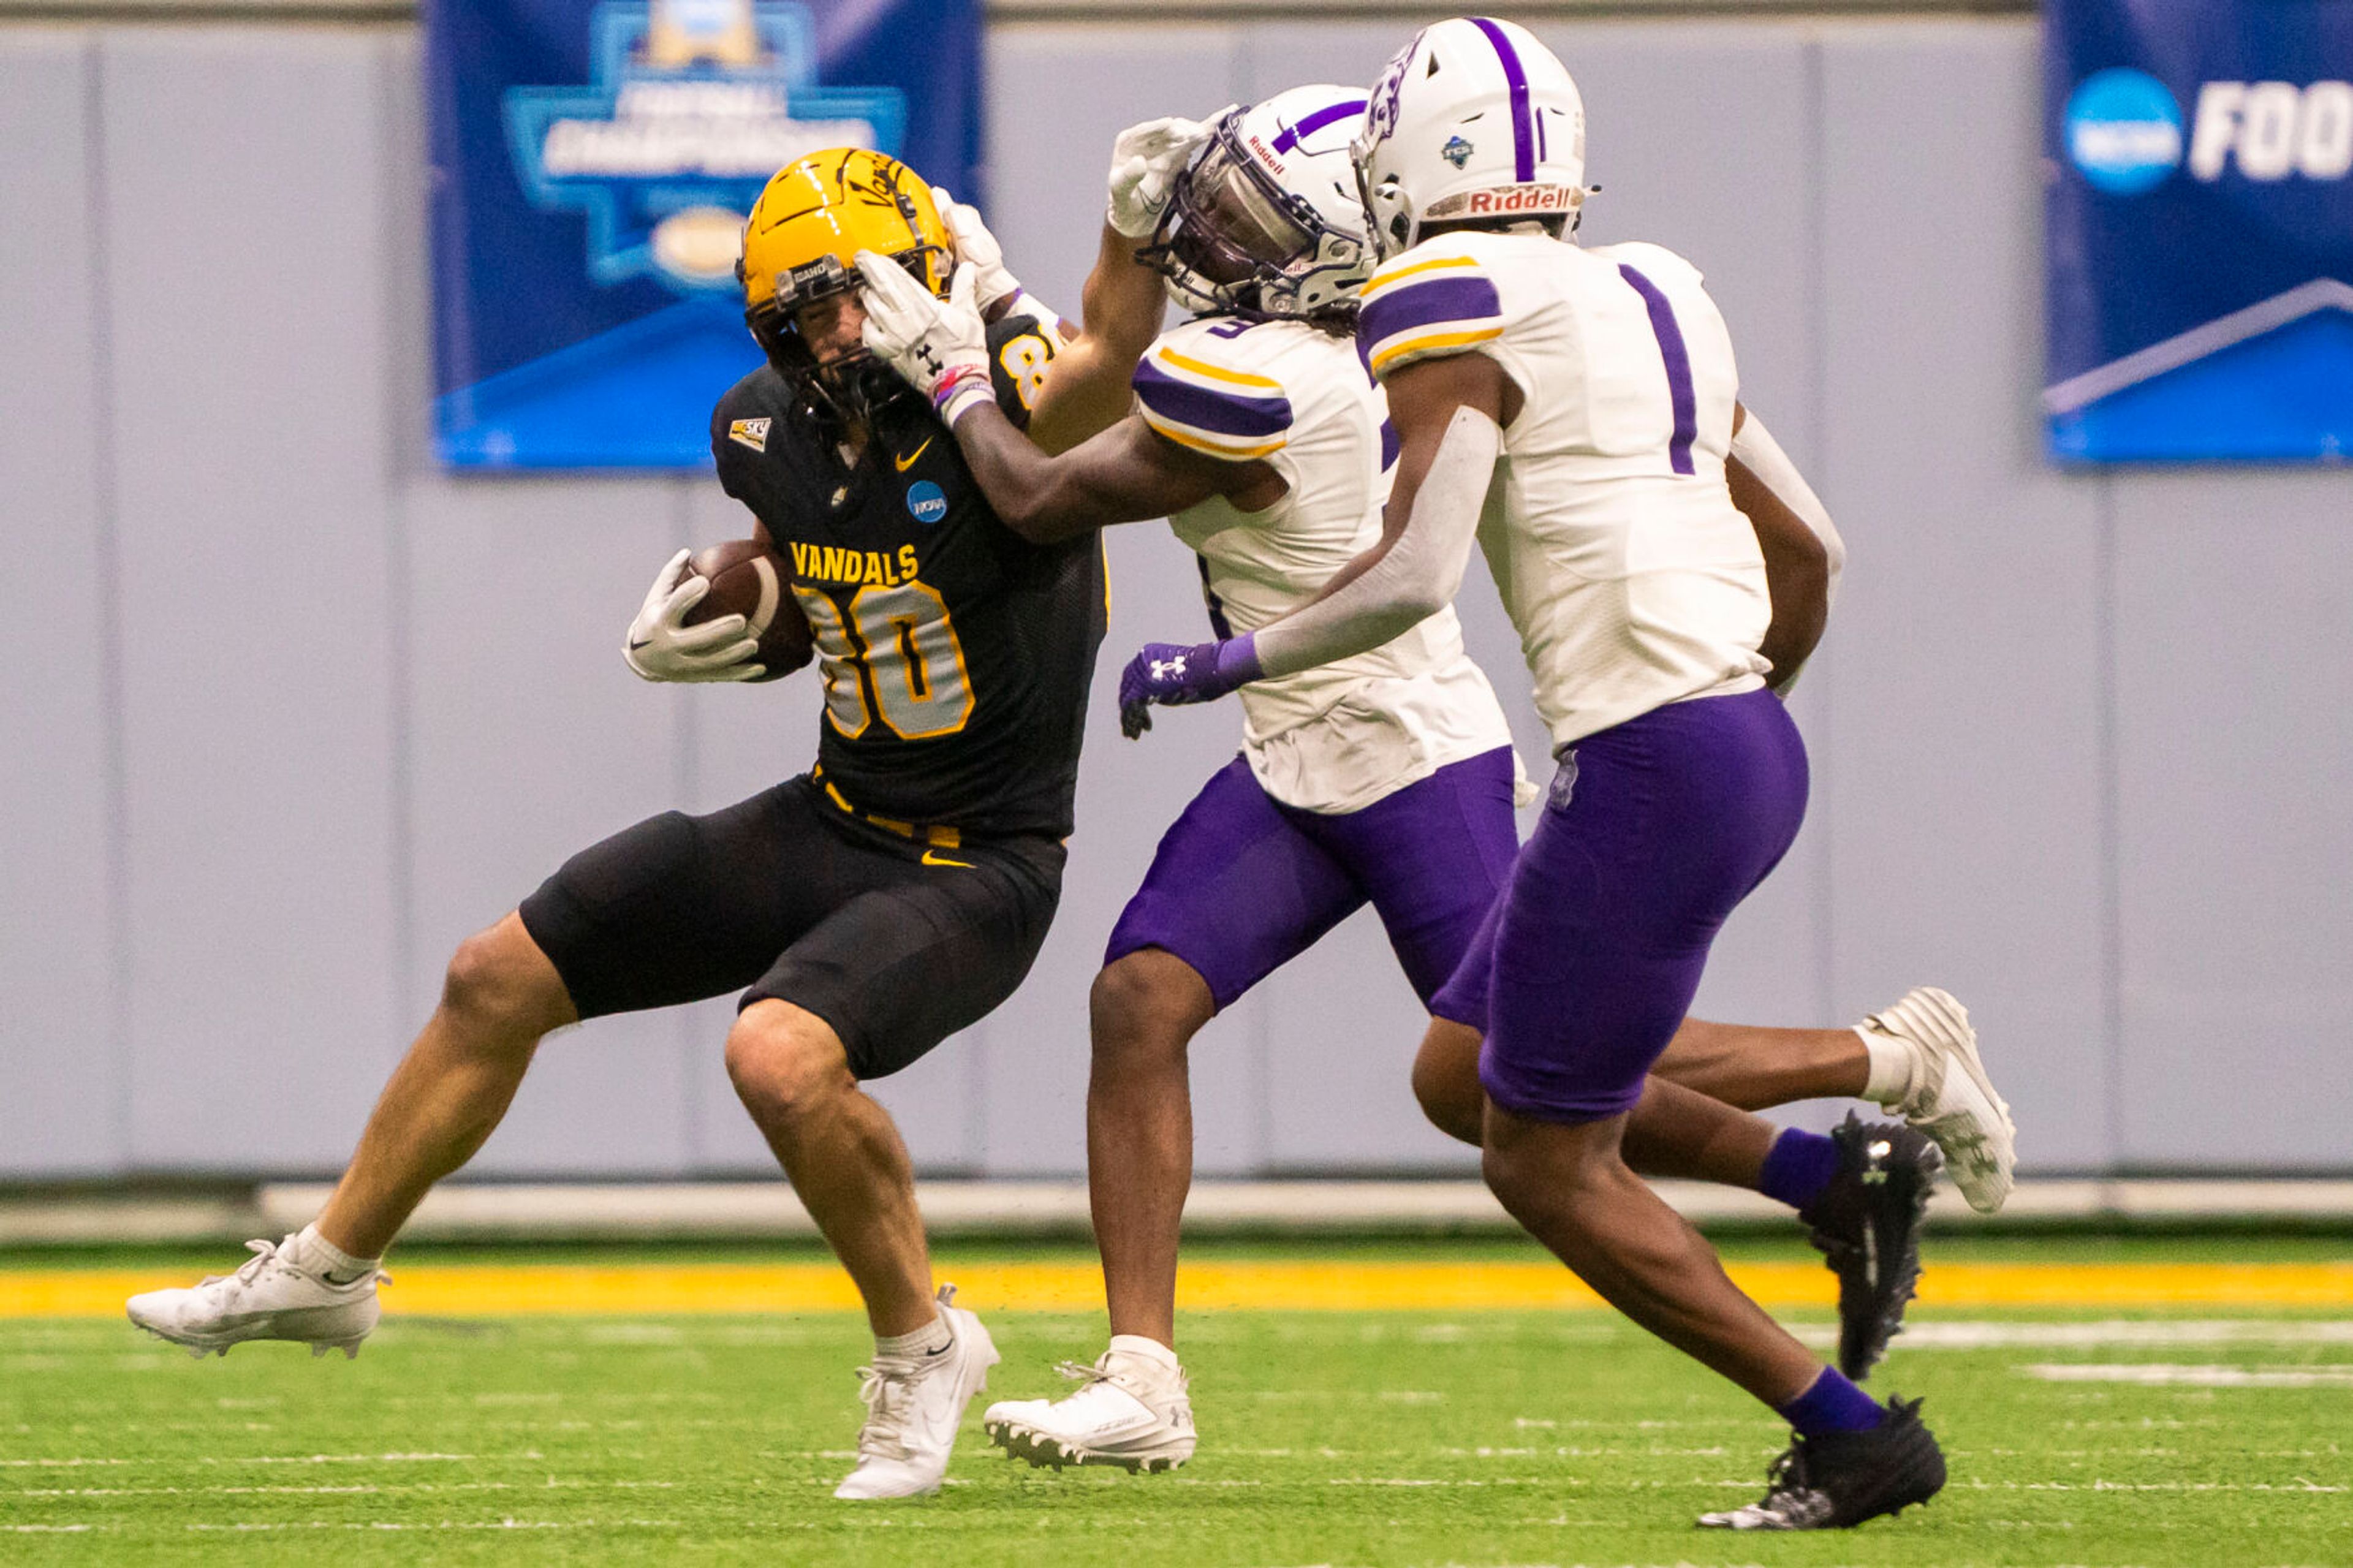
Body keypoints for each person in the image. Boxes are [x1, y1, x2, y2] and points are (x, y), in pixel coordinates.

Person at [854, 79, 2009, 1488]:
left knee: (1516, 1084)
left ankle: (1878, 1078)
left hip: (1412, 760)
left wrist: (969, 360)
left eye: (1240, 218)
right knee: (1158, 1003)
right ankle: (1145, 1371)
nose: (1208, 238)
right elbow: (1096, 360)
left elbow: (1041, 461)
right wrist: (1088, 256)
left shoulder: (1283, 372)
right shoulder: (1422, 324)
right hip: (1298, 753)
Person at [125, 148, 1107, 1502]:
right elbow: (849, 599)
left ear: (922, 278)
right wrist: (734, 625)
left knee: (780, 1052)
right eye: (802, 312)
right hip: (842, 807)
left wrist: (1005, 319)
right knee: (497, 972)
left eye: (856, 298)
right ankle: (330, 1269)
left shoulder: (1011, 383)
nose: (835, 335)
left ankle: (923, 1342)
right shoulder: (758, 428)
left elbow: (1063, 463)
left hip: (985, 855)